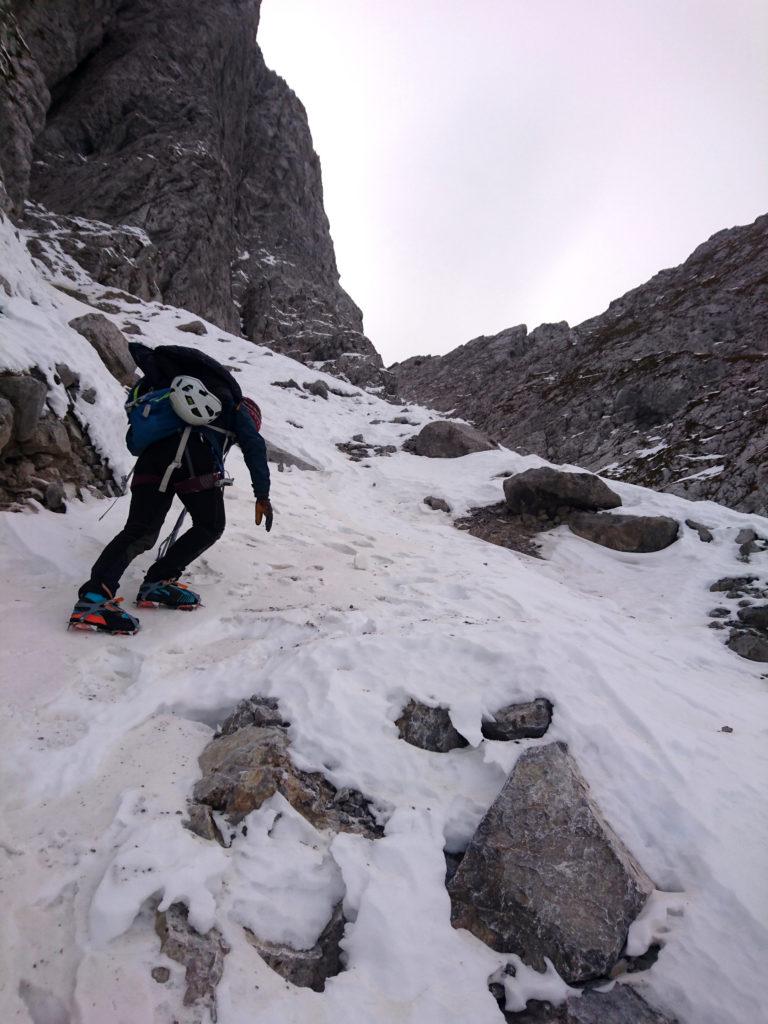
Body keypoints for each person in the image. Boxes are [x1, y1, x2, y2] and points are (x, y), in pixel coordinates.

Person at [69, 344, 272, 635]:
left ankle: (96, 597)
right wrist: (262, 494)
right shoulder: (237, 409)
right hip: (193, 458)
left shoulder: (172, 406)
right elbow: (254, 446)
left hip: (152, 458)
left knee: (141, 529)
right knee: (210, 525)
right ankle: (156, 583)